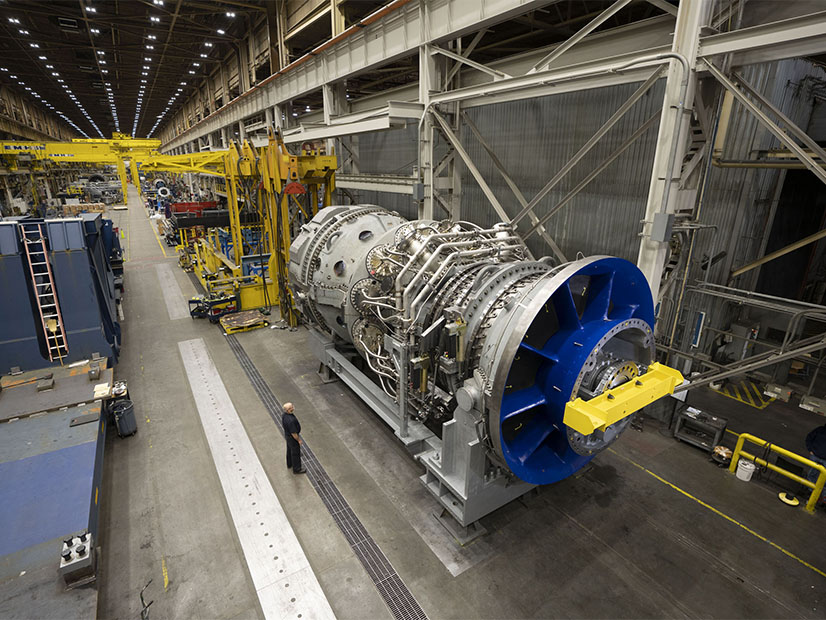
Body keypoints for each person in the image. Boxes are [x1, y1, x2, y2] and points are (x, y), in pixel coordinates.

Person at [281, 402, 306, 474]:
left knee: (289, 449)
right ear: (288, 410)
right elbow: (294, 433)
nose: (293, 408)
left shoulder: (284, 415)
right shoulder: (291, 421)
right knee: (295, 452)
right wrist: (298, 440)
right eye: (291, 407)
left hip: (287, 436)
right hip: (292, 438)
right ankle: (297, 469)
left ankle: (289, 463)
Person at [805, 423, 826, 503]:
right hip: (816, 456)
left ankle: (822, 498)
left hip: (820, 458)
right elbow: (809, 438)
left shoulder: (820, 430)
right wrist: (810, 449)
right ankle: (810, 493)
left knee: (823, 480)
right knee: (812, 474)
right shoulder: (820, 430)